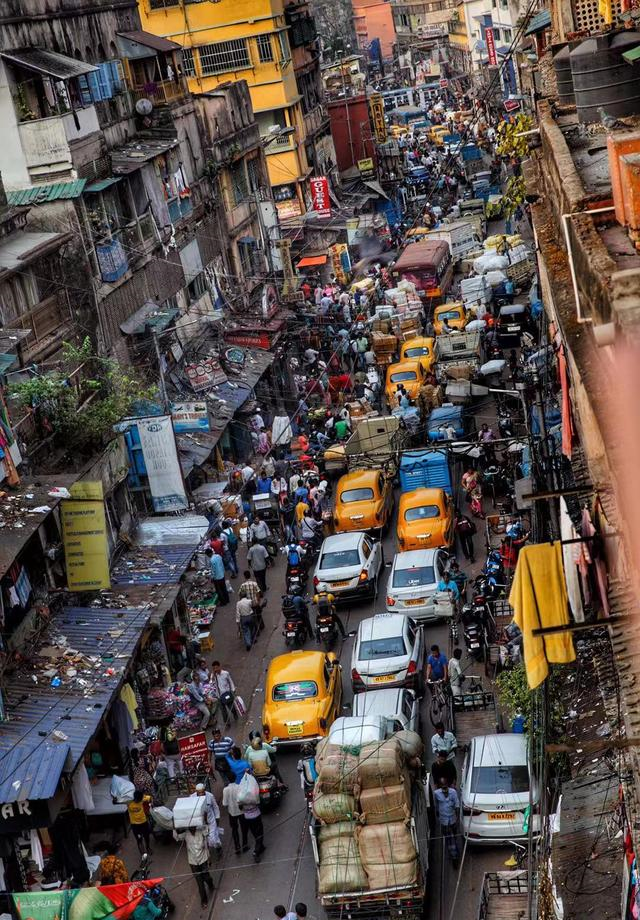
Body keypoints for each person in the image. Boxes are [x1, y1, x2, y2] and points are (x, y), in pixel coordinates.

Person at [173, 825, 214, 909]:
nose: (192, 829)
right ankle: (204, 900)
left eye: (193, 827)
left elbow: (207, 832)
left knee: (206, 877)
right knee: (200, 883)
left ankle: (211, 884)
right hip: (193, 862)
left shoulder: (201, 831)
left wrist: (209, 858)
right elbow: (176, 837)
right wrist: (174, 827)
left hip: (203, 859)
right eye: (190, 827)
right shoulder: (186, 834)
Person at [434, 780, 460, 865]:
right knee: (449, 838)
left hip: (452, 819)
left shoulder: (453, 792)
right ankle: (454, 856)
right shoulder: (436, 793)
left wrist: (457, 819)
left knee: (454, 837)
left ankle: (454, 851)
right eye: (443, 787)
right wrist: (437, 813)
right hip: (444, 821)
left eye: (446, 787)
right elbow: (436, 805)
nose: (445, 790)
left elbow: (457, 805)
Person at [192, 783, 222, 854]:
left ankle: (218, 847)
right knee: (203, 838)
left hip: (210, 820)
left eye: (202, 792)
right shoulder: (192, 797)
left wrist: (217, 817)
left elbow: (215, 807)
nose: (201, 794)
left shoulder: (210, 796)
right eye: (199, 793)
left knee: (213, 838)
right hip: (200, 822)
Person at [223, 776, 249, 854]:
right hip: (241, 812)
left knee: (234, 830)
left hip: (232, 812)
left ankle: (237, 847)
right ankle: (245, 845)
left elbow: (224, 803)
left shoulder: (226, 790)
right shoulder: (239, 787)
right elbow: (243, 799)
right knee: (244, 829)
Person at [127, 789, 152, 856]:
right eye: (138, 800)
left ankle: (148, 847)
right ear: (134, 798)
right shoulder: (128, 801)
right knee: (139, 839)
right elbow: (115, 802)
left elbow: (150, 798)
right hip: (135, 825)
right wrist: (115, 800)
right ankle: (143, 854)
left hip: (144, 822)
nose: (139, 801)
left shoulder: (142, 799)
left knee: (147, 837)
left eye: (140, 800)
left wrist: (148, 804)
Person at [242, 794, 266, 863]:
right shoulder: (253, 788)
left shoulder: (241, 792)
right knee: (260, 833)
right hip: (256, 815)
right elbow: (258, 801)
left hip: (247, 817)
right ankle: (256, 852)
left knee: (255, 833)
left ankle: (261, 846)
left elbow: (240, 806)